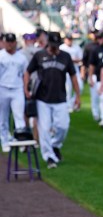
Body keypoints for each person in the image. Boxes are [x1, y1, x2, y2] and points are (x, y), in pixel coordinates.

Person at [24, 32, 80, 168]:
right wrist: (26, 88)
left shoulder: (65, 57)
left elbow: (73, 76)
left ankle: (55, 145)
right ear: (48, 43)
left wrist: (77, 95)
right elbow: (28, 71)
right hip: (43, 98)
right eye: (53, 45)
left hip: (60, 97)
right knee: (44, 128)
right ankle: (49, 157)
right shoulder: (39, 55)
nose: (55, 48)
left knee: (63, 126)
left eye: (57, 45)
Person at [0, 33, 29, 152]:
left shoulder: (21, 57)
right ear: (4, 42)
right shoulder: (1, 56)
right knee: (3, 117)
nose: (10, 44)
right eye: (8, 42)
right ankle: (5, 140)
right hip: (2, 88)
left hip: (17, 89)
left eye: (12, 42)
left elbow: (25, 73)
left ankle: (20, 140)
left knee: (19, 116)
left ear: (15, 43)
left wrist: (26, 88)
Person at [60, 33, 84, 112]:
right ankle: (68, 106)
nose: (69, 41)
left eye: (70, 39)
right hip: (65, 70)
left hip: (75, 69)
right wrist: (71, 60)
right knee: (68, 89)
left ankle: (74, 102)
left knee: (80, 86)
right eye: (68, 39)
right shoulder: (62, 47)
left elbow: (80, 59)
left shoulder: (76, 47)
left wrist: (71, 60)